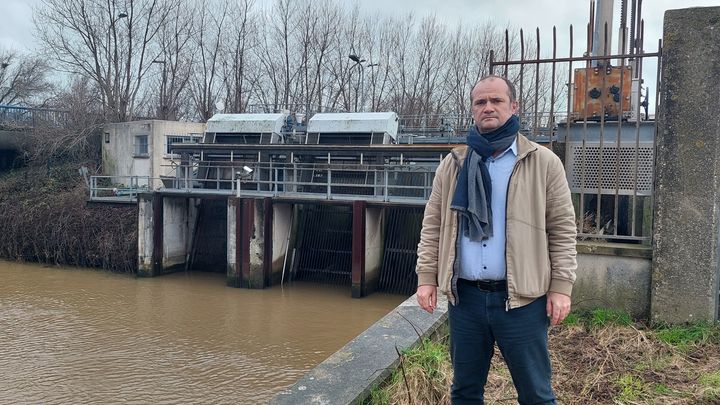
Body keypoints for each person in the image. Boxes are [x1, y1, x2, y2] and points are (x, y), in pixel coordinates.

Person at [415, 75, 577, 404]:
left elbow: (562, 227)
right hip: (466, 300)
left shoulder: (543, 162)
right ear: (473, 110)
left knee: (537, 394)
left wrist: (561, 286)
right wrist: (426, 277)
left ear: (513, 106)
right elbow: (433, 224)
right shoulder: (454, 163)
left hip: (522, 301)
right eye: (480, 102)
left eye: (496, 101)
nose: (488, 107)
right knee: (465, 392)